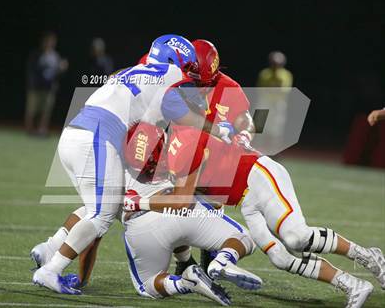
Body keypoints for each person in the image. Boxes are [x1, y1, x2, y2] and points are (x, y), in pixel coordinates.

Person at [31, 34, 234, 294]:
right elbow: (180, 113)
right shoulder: (171, 73)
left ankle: (49, 250)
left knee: (105, 206)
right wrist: (218, 129)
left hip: (76, 133)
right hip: (98, 136)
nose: (189, 74)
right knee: (101, 215)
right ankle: (51, 270)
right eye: (188, 67)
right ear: (177, 61)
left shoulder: (132, 70)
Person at [123, 122, 385, 308]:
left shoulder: (181, 149)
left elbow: (182, 203)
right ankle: (352, 285)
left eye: (150, 165)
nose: (151, 172)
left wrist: (139, 203)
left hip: (258, 176)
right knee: (281, 258)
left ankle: (367, 255)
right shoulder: (176, 145)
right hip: (245, 199)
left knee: (296, 237)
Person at [25, 32, 68, 136]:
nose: (50, 43)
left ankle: (41, 130)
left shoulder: (55, 56)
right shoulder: (37, 54)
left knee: (46, 110)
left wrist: (62, 69)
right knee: (32, 109)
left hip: (49, 88)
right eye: (48, 41)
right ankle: (29, 130)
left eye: (52, 42)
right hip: (36, 87)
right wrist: (32, 82)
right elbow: (32, 69)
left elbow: (56, 73)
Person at [256, 51, 293, 152]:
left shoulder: (285, 75)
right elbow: (261, 88)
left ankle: (274, 151)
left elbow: (285, 90)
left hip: (278, 105)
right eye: (274, 63)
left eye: (278, 64)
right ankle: (258, 149)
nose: (275, 65)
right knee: (259, 127)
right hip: (265, 103)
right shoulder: (265, 73)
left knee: (276, 129)